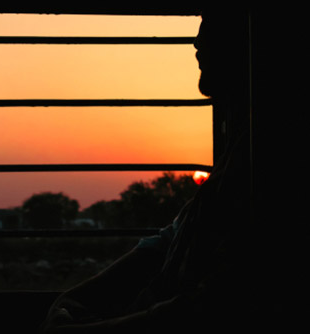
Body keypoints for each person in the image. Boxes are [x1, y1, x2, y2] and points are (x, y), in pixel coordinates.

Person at [39, 9, 286, 332]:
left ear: (253, 37)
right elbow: (170, 241)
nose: (197, 40)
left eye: (214, 22)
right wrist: (71, 300)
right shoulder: (241, 145)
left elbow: (219, 303)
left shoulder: (267, 153)